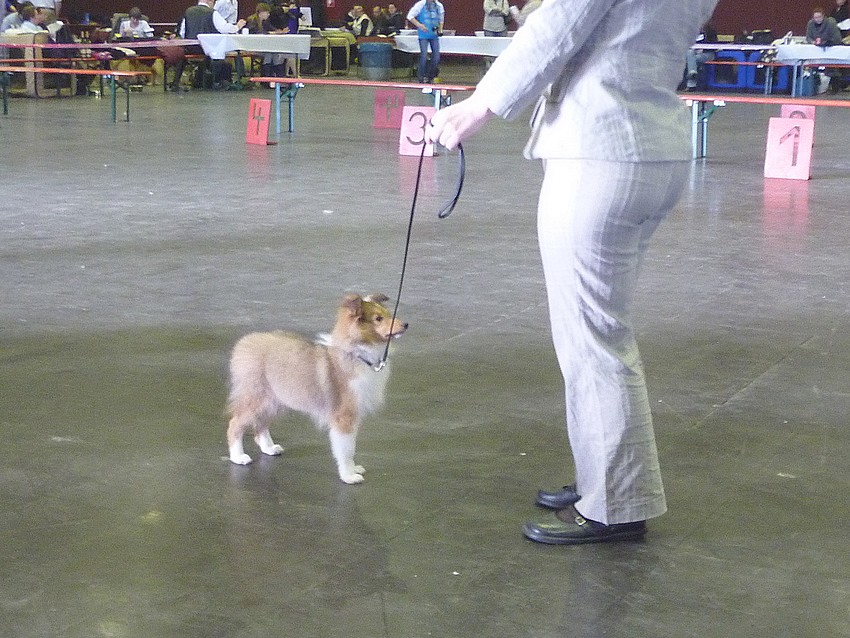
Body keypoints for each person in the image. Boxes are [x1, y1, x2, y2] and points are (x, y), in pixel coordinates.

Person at [426, 0, 719, 545]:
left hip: (599, 150)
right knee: (603, 331)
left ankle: (615, 506)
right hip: (655, 150)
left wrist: (480, 106)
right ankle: (603, 479)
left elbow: (555, 27)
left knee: (592, 340)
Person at [170, 0, 246, 90]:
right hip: (207, 48)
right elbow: (224, 28)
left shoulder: (188, 11)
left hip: (190, 48)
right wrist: (237, 27)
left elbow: (182, 32)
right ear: (210, 2)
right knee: (220, 54)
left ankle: (176, 83)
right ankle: (216, 82)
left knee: (182, 57)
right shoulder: (212, 13)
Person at [406, 0, 443, 83]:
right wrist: (419, 25)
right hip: (423, 35)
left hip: (434, 35)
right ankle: (420, 77)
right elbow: (410, 16)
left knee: (436, 57)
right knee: (424, 55)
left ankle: (431, 76)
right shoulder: (421, 4)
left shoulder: (439, 6)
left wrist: (440, 29)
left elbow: (441, 19)